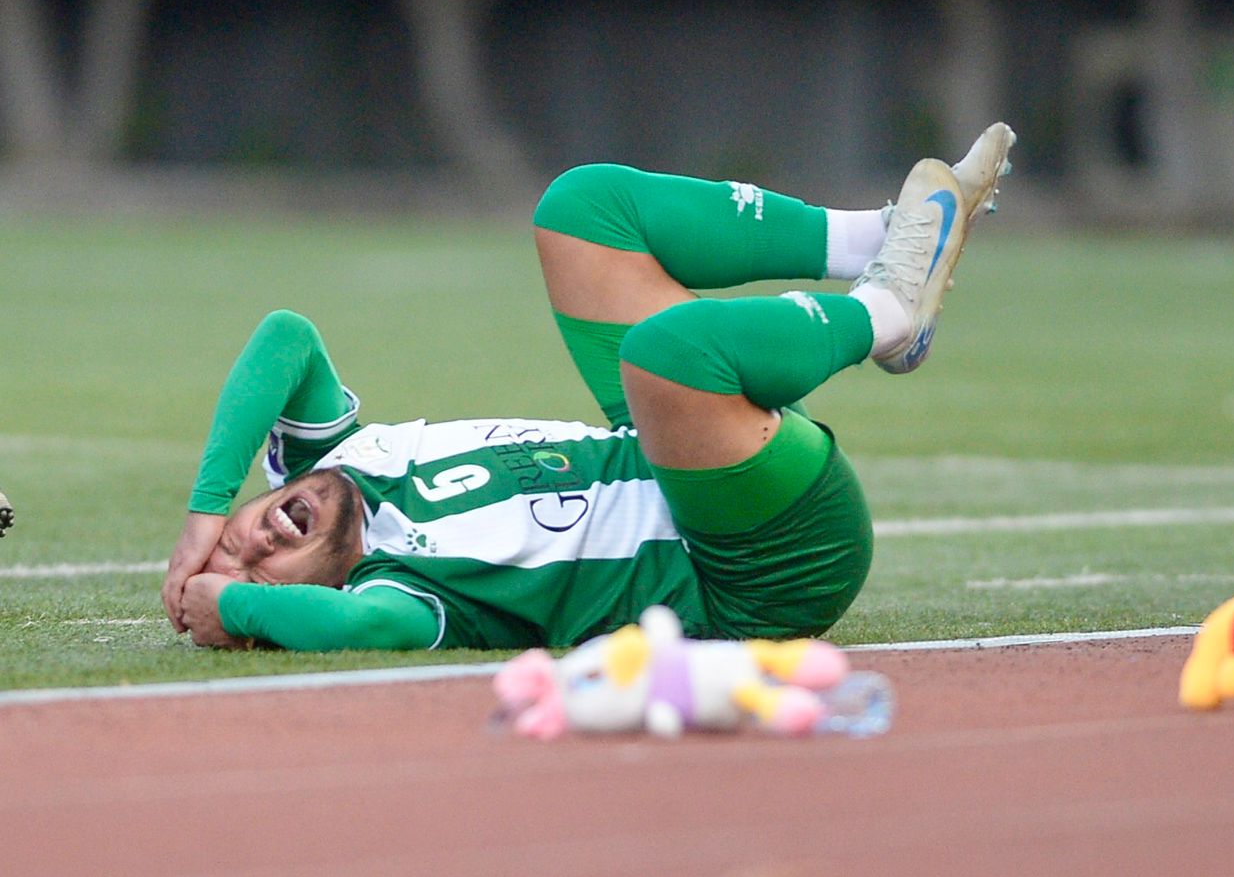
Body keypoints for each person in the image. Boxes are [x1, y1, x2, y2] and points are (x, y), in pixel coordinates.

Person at [161, 123, 1016, 650]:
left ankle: (879, 240)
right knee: (663, 353)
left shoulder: (329, 462)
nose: (256, 544)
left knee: (582, 210)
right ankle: (887, 312)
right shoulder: (393, 586)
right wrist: (234, 605)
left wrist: (204, 515)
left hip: (692, 451)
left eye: (236, 541)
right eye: (262, 573)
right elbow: (358, 627)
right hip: (756, 567)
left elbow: (286, 339)